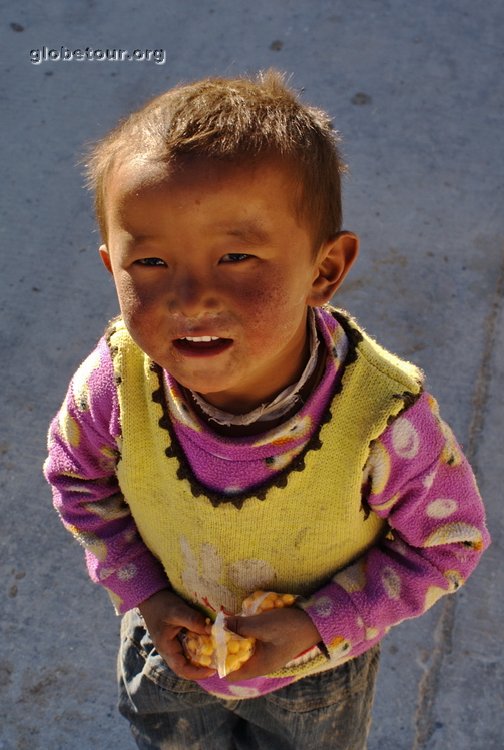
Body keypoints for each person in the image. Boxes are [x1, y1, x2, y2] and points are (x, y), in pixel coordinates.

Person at [44, 70, 490, 750]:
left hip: (315, 675)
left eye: (236, 256)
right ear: (112, 267)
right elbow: (77, 479)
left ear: (325, 269)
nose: (190, 297)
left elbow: (449, 544)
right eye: (153, 263)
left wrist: (319, 624)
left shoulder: (379, 417)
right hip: (166, 641)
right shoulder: (116, 382)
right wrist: (149, 598)